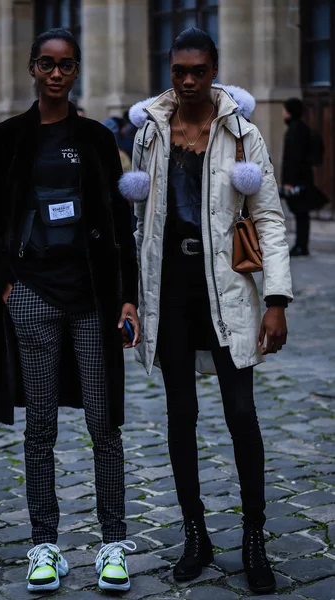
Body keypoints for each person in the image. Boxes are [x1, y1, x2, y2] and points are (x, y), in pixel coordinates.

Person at [0, 27, 140, 593]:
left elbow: (120, 227)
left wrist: (129, 296)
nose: (57, 73)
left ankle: (112, 543)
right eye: (47, 63)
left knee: (103, 422)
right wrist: (9, 289)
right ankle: (46, 546)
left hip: (92, 300)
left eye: (66, 65)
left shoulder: (94, 139)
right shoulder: (4, 139)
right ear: (32, 70)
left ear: (77, 69)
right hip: (32, 298)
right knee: (40, 427)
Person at [124, 28, 292, 595]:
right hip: (170, 289)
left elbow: (267, 215)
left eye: (199, 70)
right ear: (170, 72)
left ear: (214, 69)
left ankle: (254, 538)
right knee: (180, 415)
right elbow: (139, 220)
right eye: (179, 71)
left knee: (242, 415)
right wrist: (132, 294)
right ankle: (195, 534)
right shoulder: (150, 131)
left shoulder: (242, 132)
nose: (189, 80)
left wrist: (276, 300)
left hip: (227, 285)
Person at [281, 98, 313, 257]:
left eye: (285, 110)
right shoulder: (301, 128)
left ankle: (301, 246)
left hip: (297, 181)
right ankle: (302, 245)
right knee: (302, 214)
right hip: (303, 179)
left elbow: (293, 158)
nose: (282, 113)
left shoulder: (295, 130)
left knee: (301, 213)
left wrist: (289, 182)